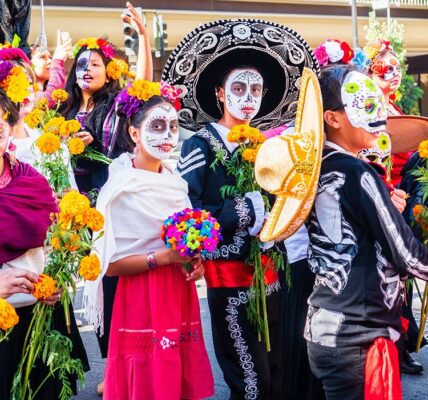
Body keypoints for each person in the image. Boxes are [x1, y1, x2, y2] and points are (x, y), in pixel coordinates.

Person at [163, 19, 319, 399]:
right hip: (229, 277)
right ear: (219, 93)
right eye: (237, 88)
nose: (248, 97)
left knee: (279, 370)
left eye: (256, 89)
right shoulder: (199, 146)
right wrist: (240, 212)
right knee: (252, 381)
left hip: (272, 271)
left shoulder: (269, 147)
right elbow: (188, 215)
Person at [84, 79, 214, 400]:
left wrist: (196, 262)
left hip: (177, 291)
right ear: (134, 133)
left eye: (173, 126)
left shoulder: (175, 182)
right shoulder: (120, 188)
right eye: (157, 126)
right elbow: (109, 266)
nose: (168, 135)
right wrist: (162, 258)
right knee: (145, 378)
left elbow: (186, 239)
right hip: (140, 296)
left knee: (176, 376)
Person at [305, 64, 428, 400]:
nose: (379, 115)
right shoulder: (357, 172)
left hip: (328, 330)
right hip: (358, 338)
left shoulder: (319, 167)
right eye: (365, 105)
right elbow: (408, 256)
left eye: (378, 103)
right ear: (332, 118)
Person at [0, 86, 88, 399]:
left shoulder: (31, 181)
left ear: (9, 131)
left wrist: (57, 282)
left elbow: (53, 245)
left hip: (37, 316)